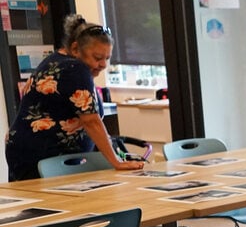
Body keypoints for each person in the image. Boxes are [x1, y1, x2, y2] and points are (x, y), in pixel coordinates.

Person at [4, 15, 144, 180]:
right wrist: (117, 162)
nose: (104, 65)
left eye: (107, 58)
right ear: (76, 48)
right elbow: (91, 120)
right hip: (42, 155)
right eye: (98, 58)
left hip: (28, 150)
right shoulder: (74, 68)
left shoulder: (58, 60)